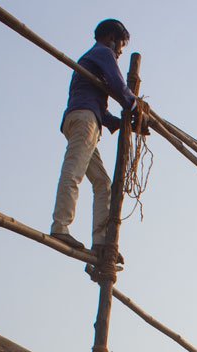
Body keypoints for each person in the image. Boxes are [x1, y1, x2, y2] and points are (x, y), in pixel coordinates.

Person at [50, 19, 137, 254]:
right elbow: (119, 87)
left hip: (86, 119)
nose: (119, 52)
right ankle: (60, 227)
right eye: (120, 46)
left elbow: (100, 105)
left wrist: (121, 123)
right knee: (74, 171)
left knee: (102, 183)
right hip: (85, 120)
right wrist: (135, 106)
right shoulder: (103, 53)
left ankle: (100, 242)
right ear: (111, 39)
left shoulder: (92, 58)